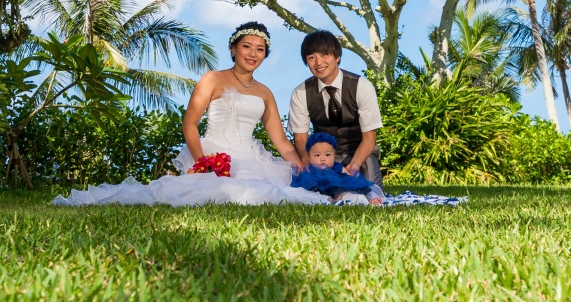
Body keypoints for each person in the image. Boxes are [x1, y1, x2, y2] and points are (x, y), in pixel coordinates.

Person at [53, 21, 329, 207]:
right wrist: (203, 163)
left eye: (260, 49)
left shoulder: (265, 92)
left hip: (251, 156)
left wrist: (303, 167)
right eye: (247, 46)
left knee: (274, 191)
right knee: (219, 191)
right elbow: (190, 124)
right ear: (233, 48)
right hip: (213, 152)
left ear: (265, 55)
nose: (253, 53)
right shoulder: (212, 79)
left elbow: (281, 142)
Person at [288, 30, 384, 186]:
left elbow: (369, 138)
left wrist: (355, 165)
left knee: (372, 192)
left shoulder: (362, 86)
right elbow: (300, 139)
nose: (318, 63)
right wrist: (307, 161)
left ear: (337, 56)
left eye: (324, 55)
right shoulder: (301, 92)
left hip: (361, 154)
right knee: (321, 192)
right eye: (311, 58)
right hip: (323, 156)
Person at [291, 132, 384, 206]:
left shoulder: (337, 167)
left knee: (359, 187)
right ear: (309, 157)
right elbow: (307, 187)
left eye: (327, 155)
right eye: (317, 155)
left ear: (334, 156)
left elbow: (348, 177)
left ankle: (369, 197)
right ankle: (353, 199)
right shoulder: (310, 170)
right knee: (338, 195)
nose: (322, 159)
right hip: (321, 192)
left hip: (339, 188)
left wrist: (350, 178)